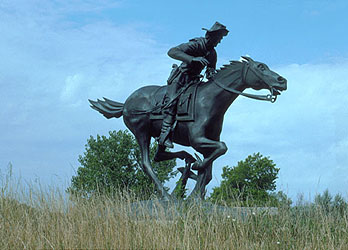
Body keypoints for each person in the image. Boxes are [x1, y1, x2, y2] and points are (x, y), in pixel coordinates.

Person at [158, 21, 229, 148]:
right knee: (172, 101)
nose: (219, 41)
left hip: (194, 81)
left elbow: (210, 71)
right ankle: (164, 135)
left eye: (221, 39)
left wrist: (212, 74)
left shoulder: (212, 54)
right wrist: (192, 59)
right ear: (211, 36)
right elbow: (172, 51)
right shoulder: (196, 45)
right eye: (219, 38)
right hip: (180, 78)